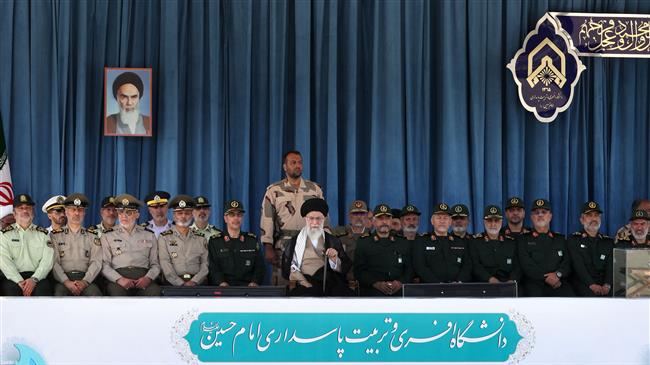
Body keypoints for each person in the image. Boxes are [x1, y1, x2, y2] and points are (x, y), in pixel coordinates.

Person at [260, 150, 328, 286]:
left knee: (309, 287)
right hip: (284, 246)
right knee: (283, 286)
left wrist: (327, 242)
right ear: (285, 167)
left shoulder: (314, 190)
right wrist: (268, 246)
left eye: (300, 162)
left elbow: (324, 218)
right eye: (293, 162)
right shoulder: (274, 191)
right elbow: (267, 219)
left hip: (310, 245)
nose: (298, 165)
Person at [282, 198, 352, 296]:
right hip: (304, 284)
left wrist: (334, 260)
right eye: (311, 218)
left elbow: (344, 267)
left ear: (324, 219)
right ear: (305, 219)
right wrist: (305, 283)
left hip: (329, 283)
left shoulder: (332, 240)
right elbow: (289, 268)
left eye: (318, 218)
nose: (315, 222)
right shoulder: (294, 242)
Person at [101, 194, 161, 296]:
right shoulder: (107, 235)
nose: (124, 216)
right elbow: (104, 265)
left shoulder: (149, 235)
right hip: (118, 278)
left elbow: (155, 264)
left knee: (154, 292)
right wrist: (119, 279)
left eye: (128, 212)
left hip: (143, 276)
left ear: (137, 214)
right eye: (120, 212)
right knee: (117, 295)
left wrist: (148, 278)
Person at [517, 199, 574, 297]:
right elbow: (526, 265)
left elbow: (567, 262)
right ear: (531, 217)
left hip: (558, 282)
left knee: (571, 301)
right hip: (534, 283)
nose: (540, 215)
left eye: (544, 212)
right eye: (536, 213)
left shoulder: (560, 239)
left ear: (550, 216)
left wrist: (557, 275)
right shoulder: (523, 239)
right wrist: (546, 278)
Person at [0, 194, 54, 296]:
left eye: (28, 208)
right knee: (10, 293)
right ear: (14, 213)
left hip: (37, 277)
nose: (25, 211)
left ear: (33, 212)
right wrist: (19, 281)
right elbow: (4, 261)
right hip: (13, 278)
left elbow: (48, 261)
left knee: (44, 291)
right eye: (21, 208)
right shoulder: (4, 235)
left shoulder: (43, 234)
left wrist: (34, 279)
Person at [50, 193, 103, 296]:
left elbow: (96, 262)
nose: (76, 213)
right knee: (59, 297)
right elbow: (54, 263)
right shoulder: (55, 236)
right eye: (72, 209)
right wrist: (66, 282)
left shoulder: (92, 236)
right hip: (64, 280)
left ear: (84, 213)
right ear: (66, 212)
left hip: (86, 279)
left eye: (80, 210)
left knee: (96, 296)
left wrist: (85, 281)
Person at [354, 204, 412, 296]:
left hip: (399, 291)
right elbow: (358, 271)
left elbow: (410, 269)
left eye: (387, 218)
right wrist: (376, 284)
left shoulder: (402, 242)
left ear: (391, 220)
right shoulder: (364, 242)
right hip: (372, 291)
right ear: (373, 221)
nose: (384, 222)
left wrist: (400, 283)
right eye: (380, 219)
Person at [208, 200, 265, 287]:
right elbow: (213, 267)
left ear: (242, 218)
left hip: (247, 289)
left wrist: (255, 282)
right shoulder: (215, 241)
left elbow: (259, 266)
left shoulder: (251, 240)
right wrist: (221, 282)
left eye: (239, 215)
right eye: (232, 215)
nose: (236, 218)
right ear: (225, 219)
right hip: (223, 289)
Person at [413, 203, 472, 283]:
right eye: (439, 218)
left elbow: (467, 265)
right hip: (431, 289)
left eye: (445, 218)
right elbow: (420, 267)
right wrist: (437, 284)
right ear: (432, 221)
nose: (442, 221)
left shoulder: (459, 242)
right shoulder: (421, 241)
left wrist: (459, 282)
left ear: (450, 221)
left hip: (456, 289)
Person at [158, 195, 209, 286]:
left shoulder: (201, 238)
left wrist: (195, 281)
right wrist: (180, 283)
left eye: (187, 213)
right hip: (172, 283)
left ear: (192, 215)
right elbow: (164, 263)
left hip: (198, 283)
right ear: (174, 216)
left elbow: (205, 263)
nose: (183, 216)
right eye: (179, 213)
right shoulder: (164, 237)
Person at [567, 201, 613, 297]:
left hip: (603, 284)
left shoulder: (608, 242)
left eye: (596, 215)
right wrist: (591, 284)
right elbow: (578, 266)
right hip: (583, 282)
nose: (593, 219)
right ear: (582, 220)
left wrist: (607, 285)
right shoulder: (574, 240)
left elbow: (610, 266)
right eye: (589, 215)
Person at [470, 205, 520, 284]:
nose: (493, 224)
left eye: (496, 220)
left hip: (507, 284)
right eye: (489, 221)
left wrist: (512, 280)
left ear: (501, 222)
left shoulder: (511, 242)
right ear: (484, 221)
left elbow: (517, 266)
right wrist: (490, 279)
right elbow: (475, 266)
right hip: (484, 285)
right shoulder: (475, 242)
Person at [331, 200, 369, 288]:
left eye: (362, 214)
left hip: (366, 284)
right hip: (343, 283)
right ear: (349, 216)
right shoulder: (339, 236)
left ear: (367, 216)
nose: (359, 217)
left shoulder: (372, 237)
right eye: (355, 214)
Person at [105, 71, 152, 135]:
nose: (129, 103)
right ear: (117, 98)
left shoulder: (149, 122)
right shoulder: (107, 122)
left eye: (134, 97)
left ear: (139, 98)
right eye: (124, 97)